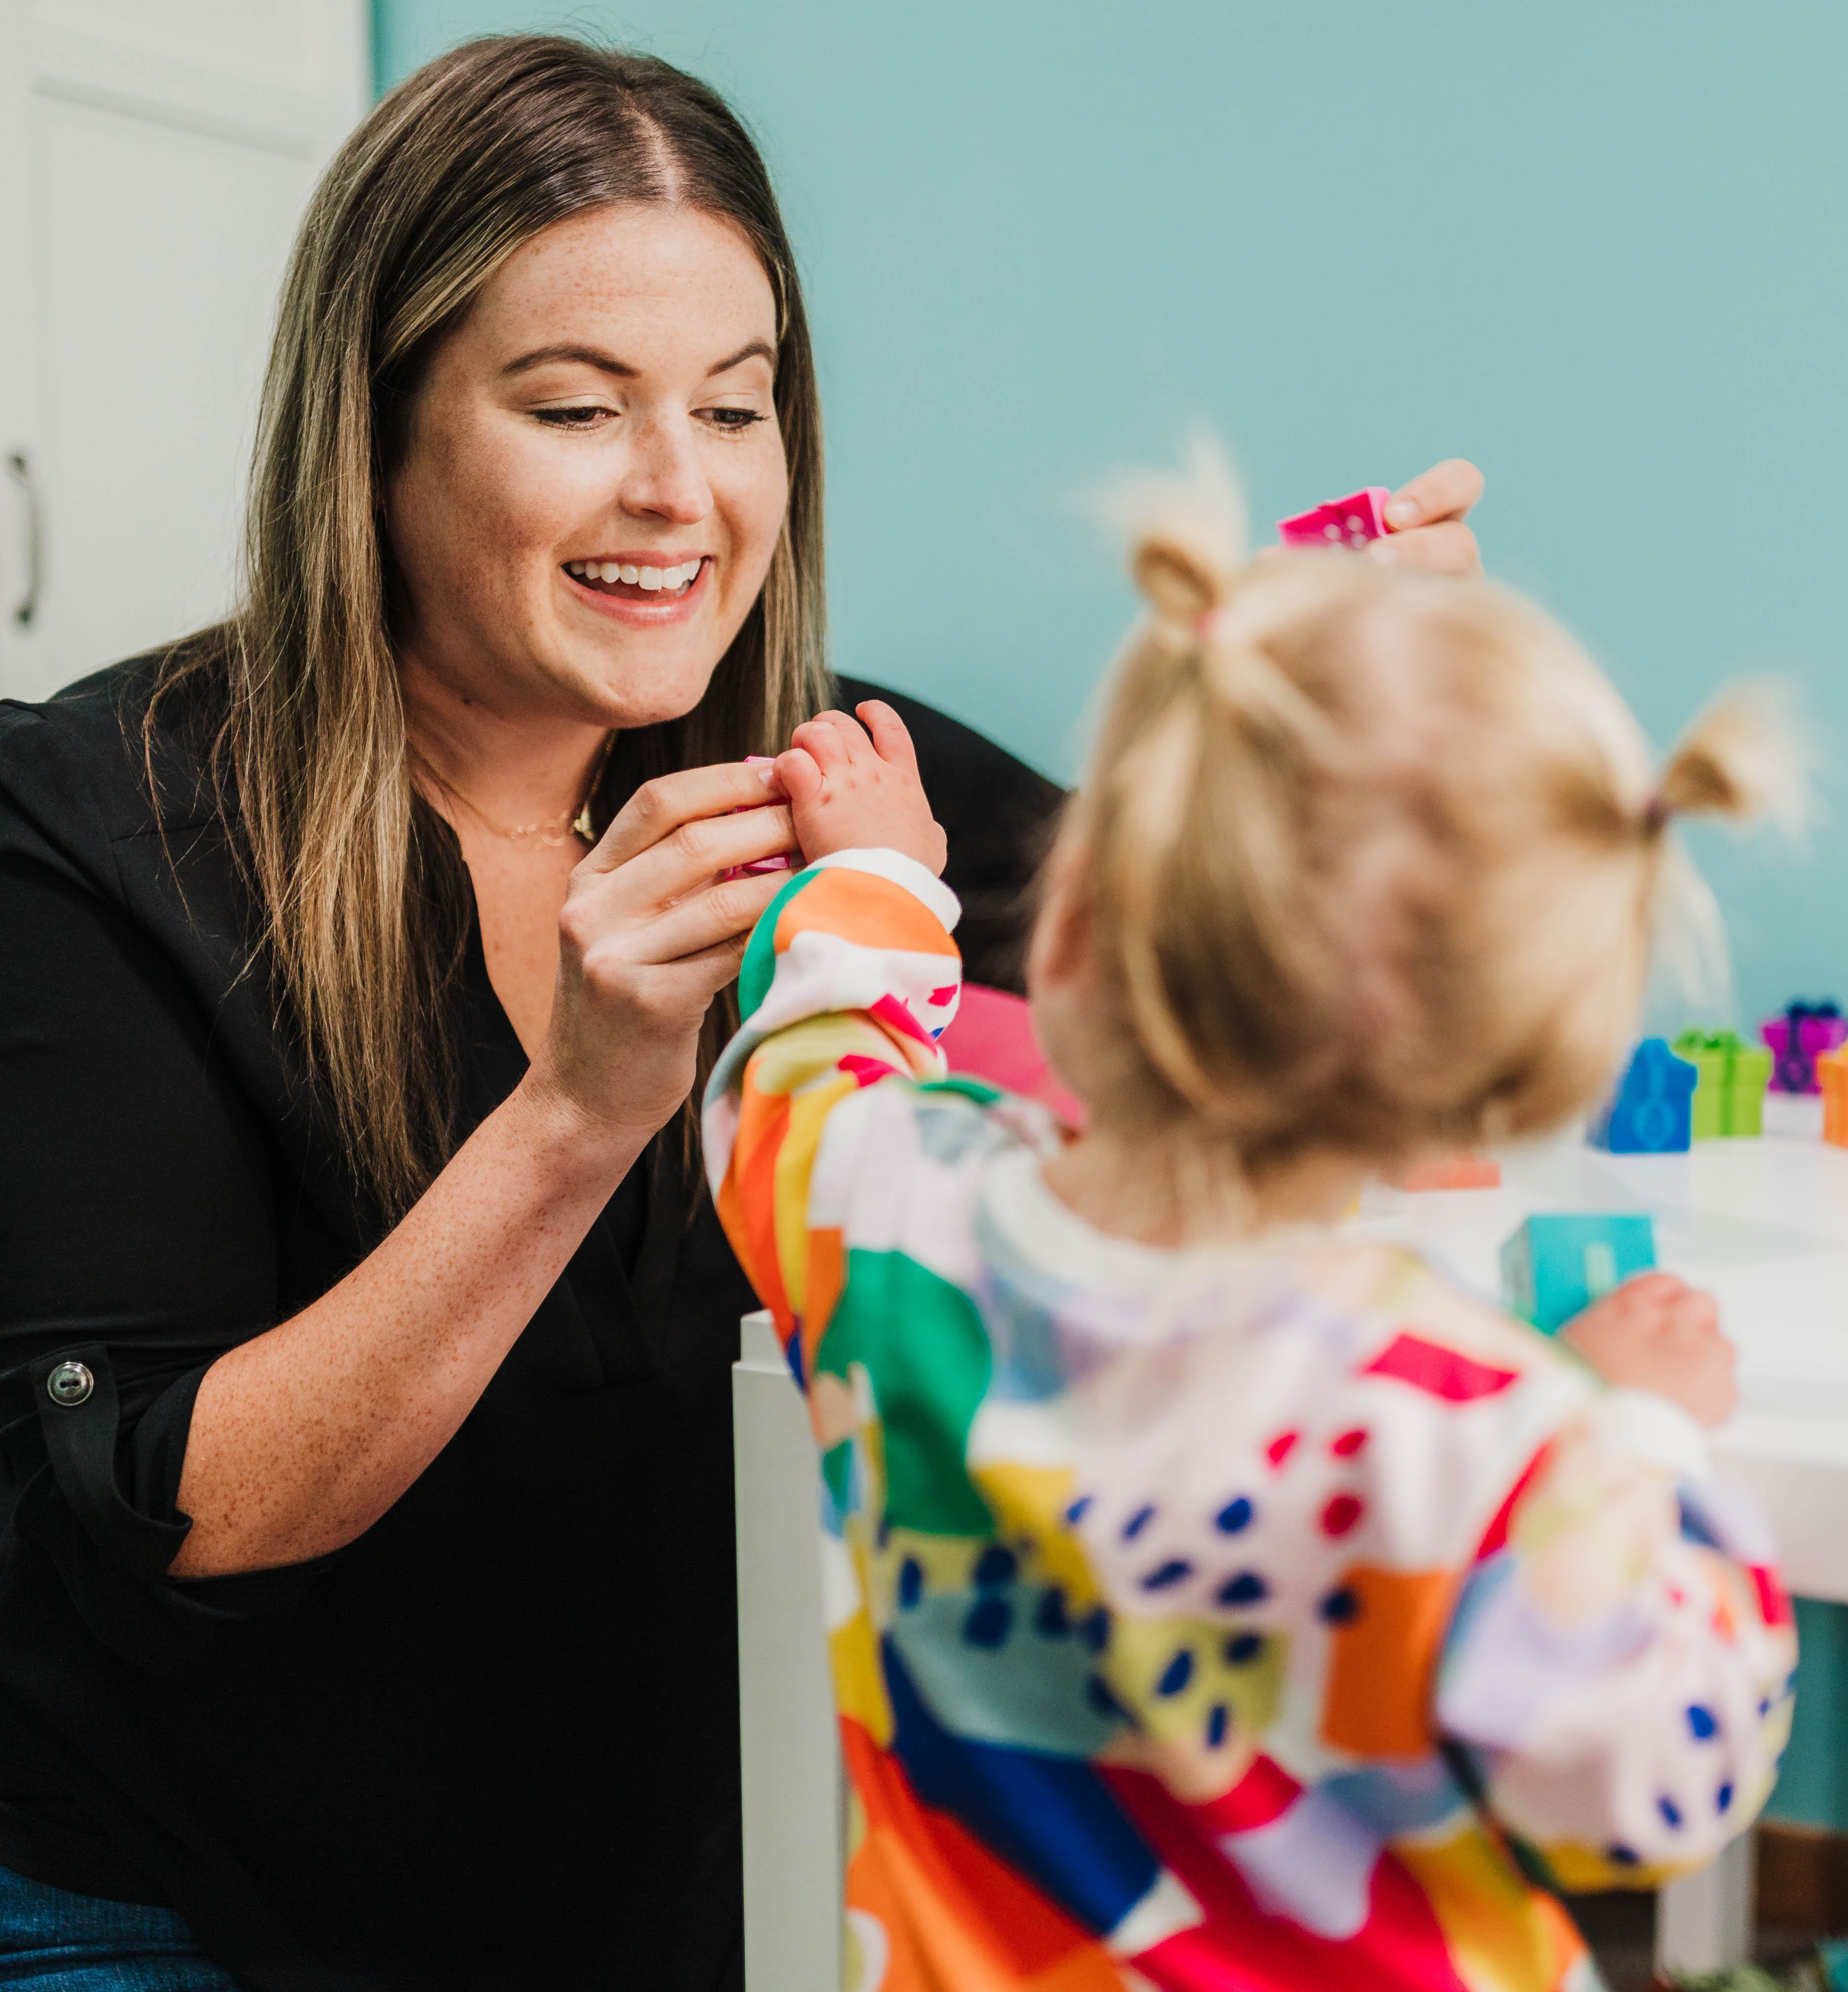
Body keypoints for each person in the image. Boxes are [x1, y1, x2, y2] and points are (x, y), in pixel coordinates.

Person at [0, 34, 1487, 1992]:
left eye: (735, 405)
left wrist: (1313, 718)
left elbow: (1252, 1000)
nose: (679, 491)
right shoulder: (98, 834)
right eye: (574, 407)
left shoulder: (838, 793)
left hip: (681, 1901)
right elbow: (171, 1513)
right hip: (194, 1912)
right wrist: (577, 1111)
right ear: (378, 428)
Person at [702, 462, 1797, 1990]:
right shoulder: (1477, 1431)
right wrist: (1642, 1440)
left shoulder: (878, 1217)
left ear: (1062, 934)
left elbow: (800, 1060)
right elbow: (1644, 1794)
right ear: (1479, 1098)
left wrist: (877, 878)